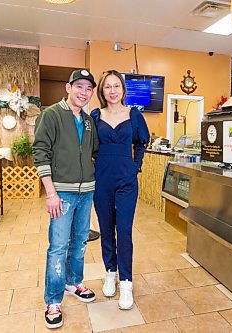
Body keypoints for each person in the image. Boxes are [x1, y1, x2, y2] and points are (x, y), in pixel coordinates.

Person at [33, 69, 99, 329]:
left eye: (89, 89)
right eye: (80, 86)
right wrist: (51, 192)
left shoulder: (88, 121)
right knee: (58, 246)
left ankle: (73, 283)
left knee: (80, 241)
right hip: (61, 193)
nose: (84, 92)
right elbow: (40, 153)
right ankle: (53, 300)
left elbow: (93, 151)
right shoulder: (50, 115)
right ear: (68, 87)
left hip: (86, 192)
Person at [90, 70, 150, 310]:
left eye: (116, 86)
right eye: (107, 87)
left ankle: (126, 282)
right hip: (102, 179)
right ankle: (110, 272)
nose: (112, 91)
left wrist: (135, 167)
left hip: (126, 181)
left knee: (123, 230)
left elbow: (141, 144)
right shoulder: (95, 116)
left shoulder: (134, 115)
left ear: (123, 89)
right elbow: (89, 147)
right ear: (102, 91)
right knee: (106, 229)